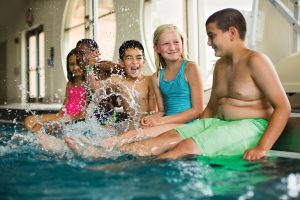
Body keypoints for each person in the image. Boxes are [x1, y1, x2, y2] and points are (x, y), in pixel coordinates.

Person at [113, 8, 291, 161]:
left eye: (211, 36)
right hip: (217, 123)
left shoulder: (257, 60)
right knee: (160, 141)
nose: (208, 42)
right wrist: (194, 129)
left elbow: (283, 107)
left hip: (250, 125)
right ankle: (109, 163)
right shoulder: (220, 66)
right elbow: (212, 107)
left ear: (232, 33)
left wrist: (262, 148)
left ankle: (149, 184)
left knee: (183, 148)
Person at [64, 25, 204, 156]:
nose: (172, 47)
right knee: (130, 136)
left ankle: (96, 150)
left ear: (143, 61)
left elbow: (197, 110)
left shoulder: (189, 68)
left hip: (177, 124)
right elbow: (161, 110)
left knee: (133, 137)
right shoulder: (157, 77)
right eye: (166, 44)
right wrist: (89, 67)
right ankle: (96, 147)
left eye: (176, 42)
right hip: (159, 124)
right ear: (156, 48)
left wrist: (158, 120)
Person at [24, 48, 87, 133]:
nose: (75, 67)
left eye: (79, 63)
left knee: (39, 125)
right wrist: (58, 116)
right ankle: (40, 135)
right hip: (63, 114)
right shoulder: (70, 83)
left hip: (75, 117)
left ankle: (34, 138)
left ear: (85, 64)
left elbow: (86, 110)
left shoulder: (88, 83)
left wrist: (64, 119)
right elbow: (66, 101)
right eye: (72, 64)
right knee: (29, 120)